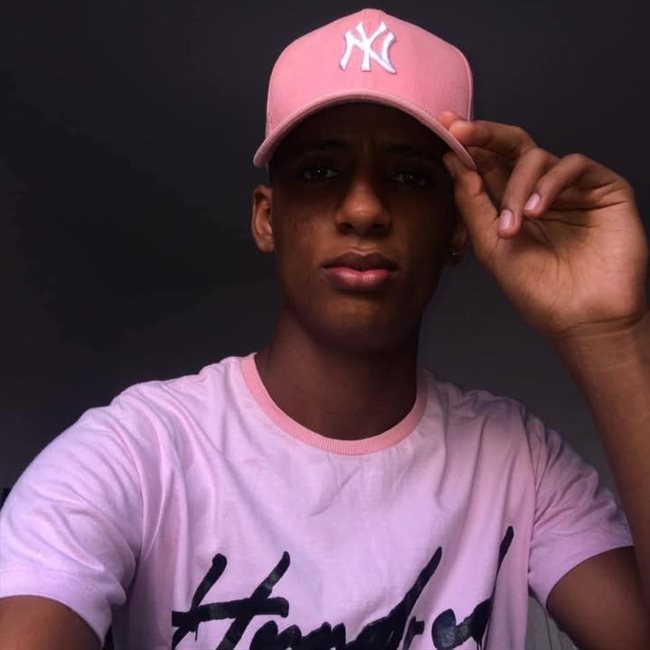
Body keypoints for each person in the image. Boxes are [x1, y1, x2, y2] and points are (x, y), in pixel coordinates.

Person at [0, 7, 648, 649]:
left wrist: (610, 334)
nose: (363, 208)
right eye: (318, 171)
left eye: (409, 176)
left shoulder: (520, 463)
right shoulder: (137, 452)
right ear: (267, 218)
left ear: (457, 229)